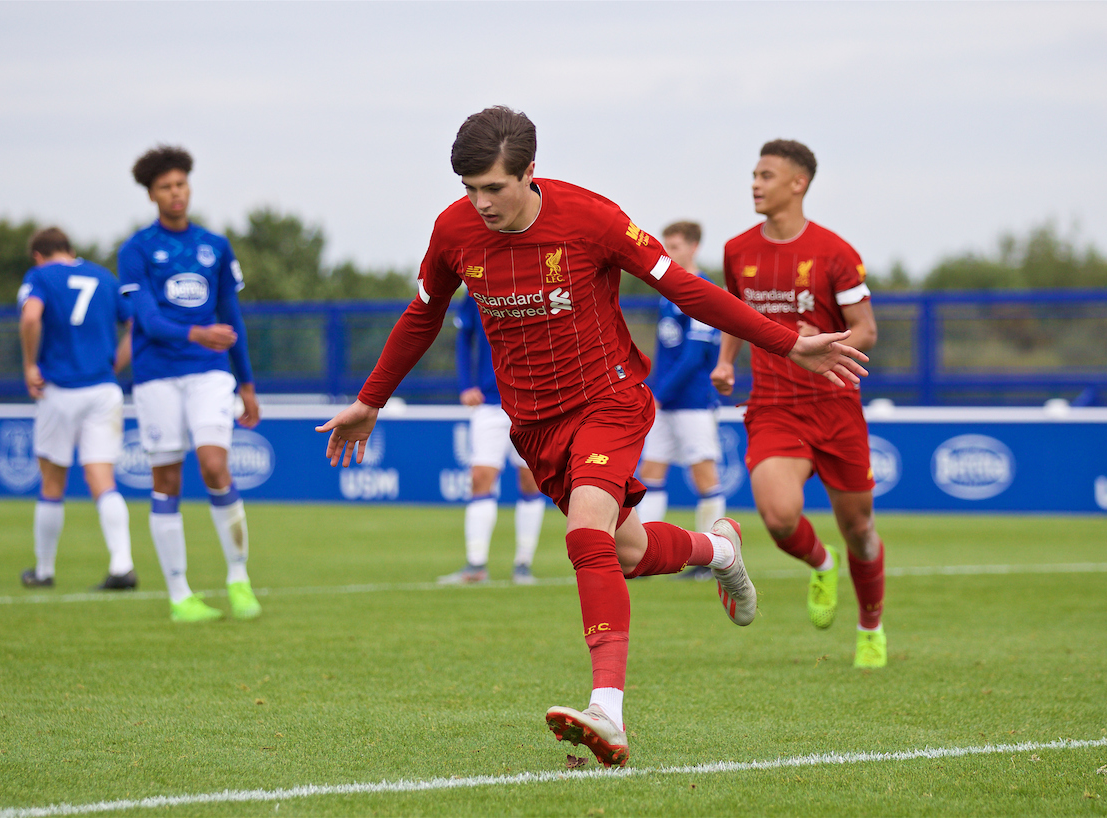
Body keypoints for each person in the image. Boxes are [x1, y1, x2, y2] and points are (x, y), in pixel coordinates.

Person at [317, 107, 868, 767]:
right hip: (534, 423)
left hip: (609, 401)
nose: (480, 203)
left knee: (586, 534)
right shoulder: (453, 231)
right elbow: (423, 313)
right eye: (470, 188)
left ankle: (607, 710)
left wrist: (787, 343)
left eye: (494, 187)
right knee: (626, 551)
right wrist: (369, 400)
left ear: (529, 173)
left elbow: (688, 291)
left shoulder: (593, 219)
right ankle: (716, 550)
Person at [711, 139, 888, 669]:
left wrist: (831, 343)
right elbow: (736, 313)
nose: (755, 184)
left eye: (766, 175)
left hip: (834, 409)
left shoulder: (834, 252)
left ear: (798, 183)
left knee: (859, 528)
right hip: (773, 405)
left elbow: (867, 331)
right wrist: (726, 362)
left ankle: (870, 626)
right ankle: (820, 561)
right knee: (780, 517)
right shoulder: (738, 250)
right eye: (753, 175)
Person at [118, 145, 262, 623]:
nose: (175, 193)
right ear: (152, 194)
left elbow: (231, 316)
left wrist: (246, 384)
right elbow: (147, 320)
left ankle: (239, 579)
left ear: (189, 186)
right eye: (165, 187)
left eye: (180, 184)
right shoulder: (135, 250)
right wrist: (196, 332)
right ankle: (180, 595)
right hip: (156, 374)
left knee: (215, 465)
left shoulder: (215, 246)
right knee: (167, 481)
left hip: (208, 373)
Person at [17, 227, 136, 590]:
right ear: (69, 249)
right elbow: (136, 326)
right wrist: (114, 364)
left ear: (38, 255)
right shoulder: (104, 276)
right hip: (103, 389)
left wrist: (28, 364)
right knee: (102, 479)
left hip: (60, 391)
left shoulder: (39, 276)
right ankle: (122, 564)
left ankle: (44, 570)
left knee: (53, 482)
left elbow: (31, 317)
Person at [635, 221, 725, 581]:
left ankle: (715, 555)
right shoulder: (666, 293)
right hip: (666, 401)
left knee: (704, 476)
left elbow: (693, 357)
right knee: (650, 473)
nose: (668, 253)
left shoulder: (702, 289)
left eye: (674, 246)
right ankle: (645, 555)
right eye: (665, 246)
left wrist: (660, 394)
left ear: (693, 248)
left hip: (691, 402)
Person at [440, 289, 547, 585]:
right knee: (480, 478)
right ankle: (476, 565)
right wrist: (465, 384)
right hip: (490, 402)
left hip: (533, 403)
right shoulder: (477, 286)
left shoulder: (538, 284)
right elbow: (464, 338)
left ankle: (523, 564)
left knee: (531, 480)